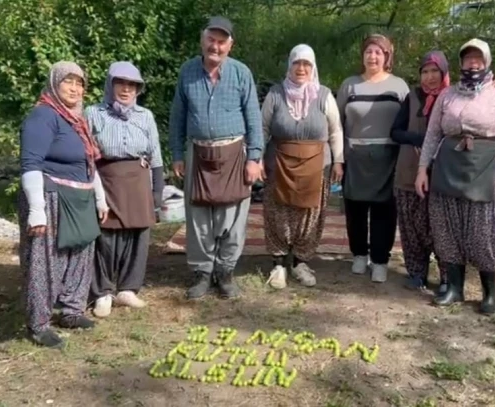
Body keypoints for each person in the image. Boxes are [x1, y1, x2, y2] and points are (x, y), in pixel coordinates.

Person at [415, 39, 495, 314]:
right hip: (448, 164)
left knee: (483, 229)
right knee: (446, 226)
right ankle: (454, 288)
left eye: (478, 58)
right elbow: (432, 135)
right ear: (461, 63)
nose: (473, 63)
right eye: (468, 59)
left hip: (485, 165)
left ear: (486, 61)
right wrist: (422, 169)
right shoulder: (447, 95)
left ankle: (489, 293)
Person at [391, 51, 495, 295]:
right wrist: (421, 140)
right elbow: (396, 132)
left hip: (450, 172)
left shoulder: (458, 96)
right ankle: (417, 273)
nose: (429, 77)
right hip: (412, 169)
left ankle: (449, 279)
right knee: (412, 227)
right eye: (425, 72)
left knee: (443, 228)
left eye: (435, 71)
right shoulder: (413, 97)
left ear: (445, 72)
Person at [168, 16, 263, 299]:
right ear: (203, 40)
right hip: (197, 152)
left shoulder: (241, 73)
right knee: (198, 217)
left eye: (222, 41)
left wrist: (254, 158)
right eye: (212, 39)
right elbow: (177, 118)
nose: (216, 46)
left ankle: (225, 272)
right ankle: (202, 273)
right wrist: (176, 154)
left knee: (232, 217)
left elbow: (254, 118)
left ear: (230, 45)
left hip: (234, 153)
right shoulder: (187, 72)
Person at [19, 61, 109, 348]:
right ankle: (39, 323)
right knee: (46, 261)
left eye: (79, 82)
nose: (74, 88)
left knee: (81, 253)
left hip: (79, 196)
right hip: (51, 196)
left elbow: (88, 163)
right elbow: (30, 163)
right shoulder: (43, 116)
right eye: (67, 81)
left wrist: (100, 198)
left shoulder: (77, 120)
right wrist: (36, 210)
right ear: (54, 84)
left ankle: (71, 311)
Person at [260, 44, 344, 289]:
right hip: (279, 164)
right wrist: (256, 158)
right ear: (290, 65)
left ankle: (300, 262)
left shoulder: (325, 95)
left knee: (310, 214)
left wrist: (338, 160)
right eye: (297, 63)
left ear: (313, 67)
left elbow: (335, 130)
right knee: (278, 212)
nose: (301, 68)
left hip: (317, 165)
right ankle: (278, 263)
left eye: (307, 63)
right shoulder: (275, 94)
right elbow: (263, 128)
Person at [86, 61, 164, 318]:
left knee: (138, 234)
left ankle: (129, 288)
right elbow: (86, 154)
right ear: (110, 85)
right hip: (107, 179)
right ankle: (103, 292)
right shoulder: (93, 113)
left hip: (138, 180)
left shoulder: (145, 116)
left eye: (132, 85)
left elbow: (156, 155)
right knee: (106, 236)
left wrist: (157, 192)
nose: (126, 89)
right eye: (121, 83)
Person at [337, 34, 408, 283]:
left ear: (387, 56)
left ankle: (380, 259)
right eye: (368, 51)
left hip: (388, 157)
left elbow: (409, 121)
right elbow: (337, 124)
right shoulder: (350, 85)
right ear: (362, 55)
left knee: (384, 211)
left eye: (378, 52)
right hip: (355, 155)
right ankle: (358, 254)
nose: (372, 56)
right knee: (355, 208)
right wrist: (339, 157)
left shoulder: (399, 86)